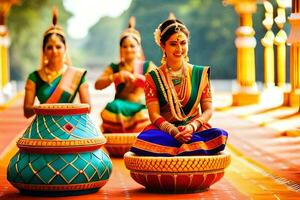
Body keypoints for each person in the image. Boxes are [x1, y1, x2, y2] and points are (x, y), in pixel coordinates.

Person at [130, 15, 228, 156]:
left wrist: (192, 127)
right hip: (165, 132)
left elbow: (208, 110)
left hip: (194, 130)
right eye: (173, 44)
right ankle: (190, 147)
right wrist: (174, 131)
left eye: (183, 43)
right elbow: (154, 114)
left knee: (218, 135)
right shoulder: (153, 77)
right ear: (163, 46)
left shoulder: (200, 74)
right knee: (146, 140)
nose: (179, 48)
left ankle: (182, 146)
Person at [23, 8, 90, 118]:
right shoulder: (34, 77)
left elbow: (88, 107)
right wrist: (45, 109)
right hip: (44, 128)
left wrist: (68, 109)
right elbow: (26, 112)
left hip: (70, 127)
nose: (54, 51)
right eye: (49, 47)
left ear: (65, 49)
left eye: (58, 47)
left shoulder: (76, 75)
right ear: (44, 50)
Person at [95, 17, 156, 133]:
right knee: (111, 108)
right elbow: (97, 85)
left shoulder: (148, 66)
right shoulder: (115, 67)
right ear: (120, 49)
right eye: (125, 46)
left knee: (145, 115)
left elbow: (161, 85)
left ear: (138, 48)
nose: (128, 49)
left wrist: (143, 80)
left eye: (132, 46)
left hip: (140, 107)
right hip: (119, 109)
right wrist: (115, 76)